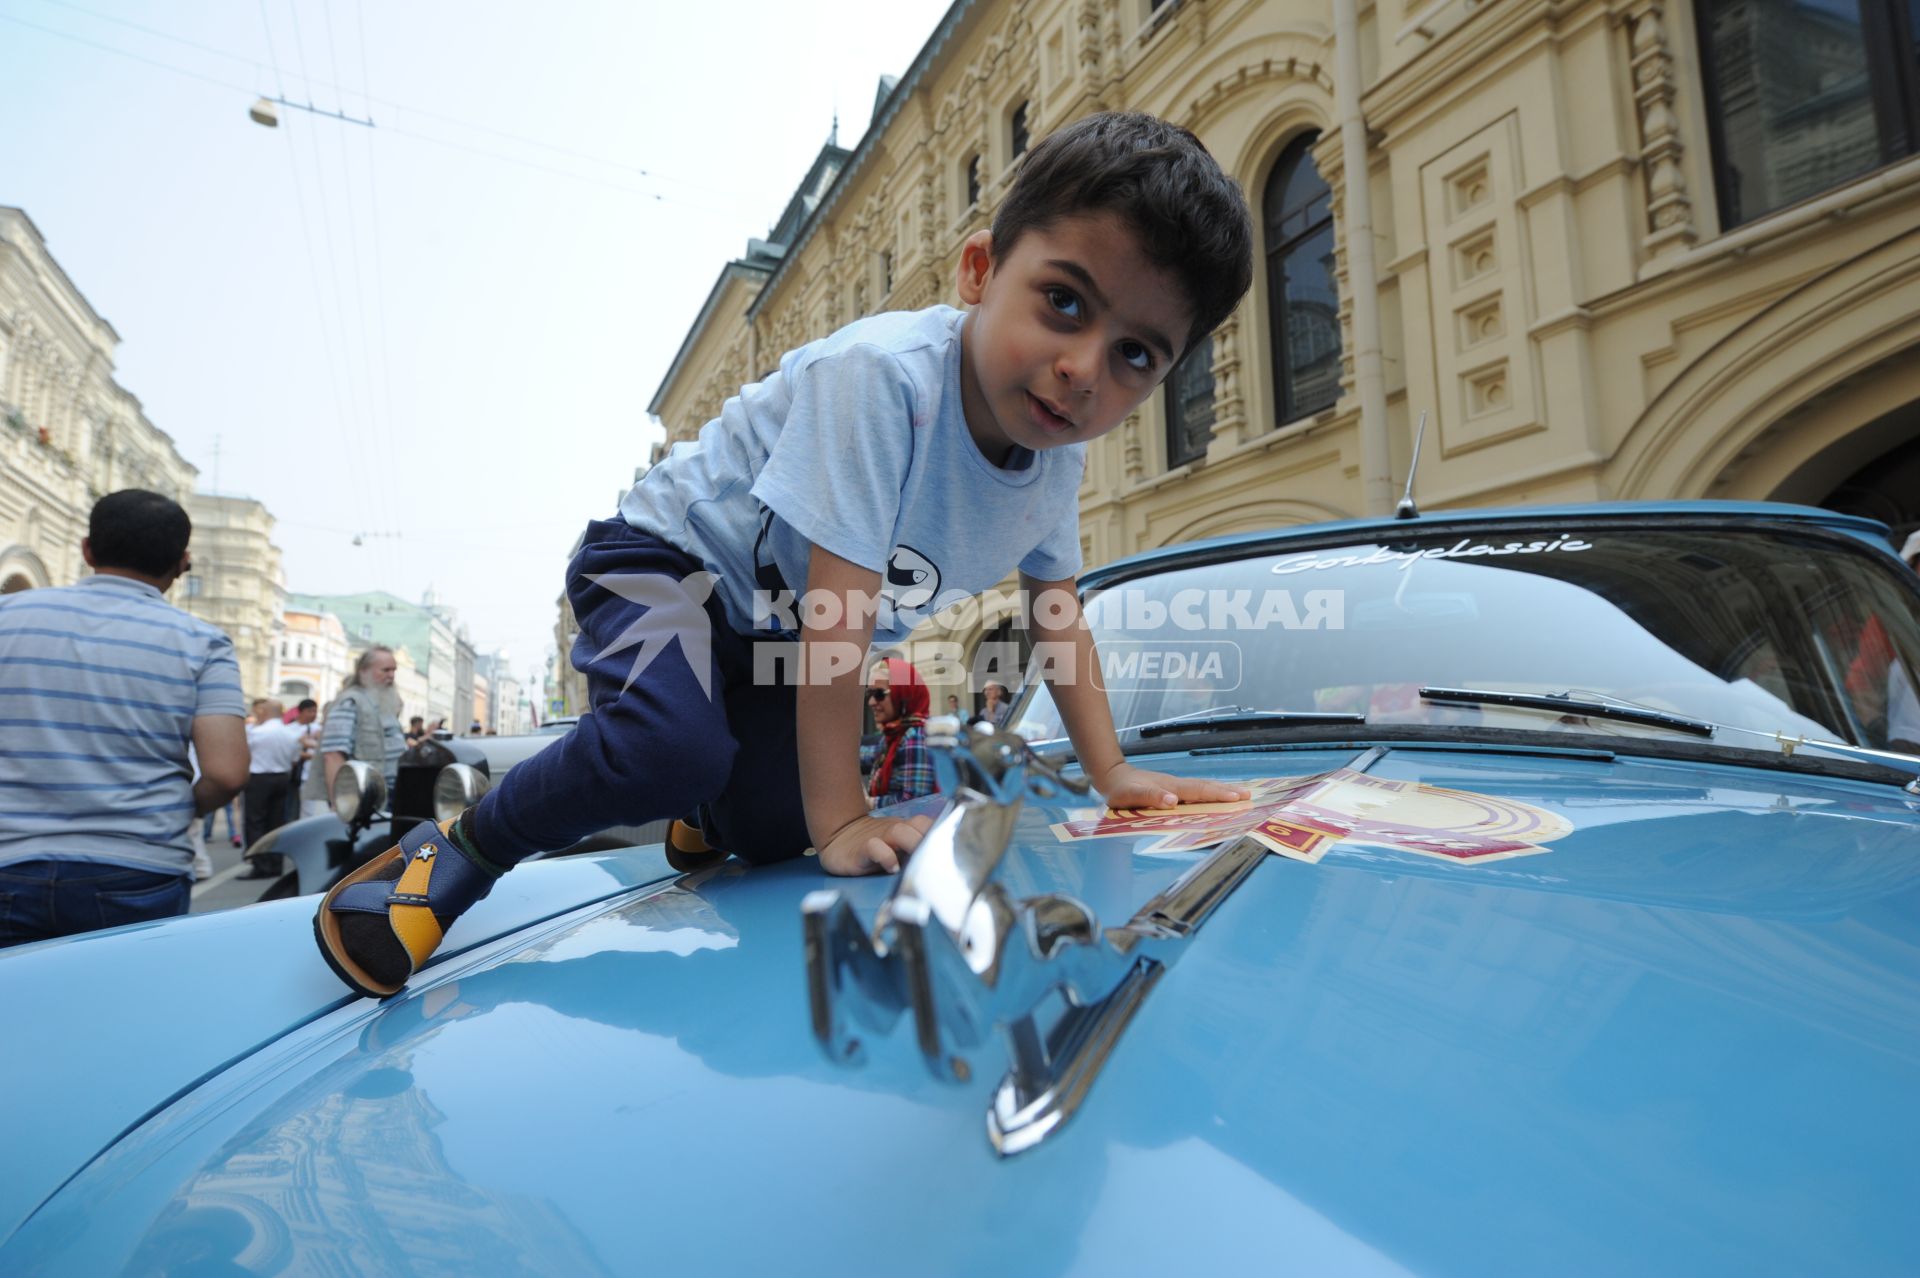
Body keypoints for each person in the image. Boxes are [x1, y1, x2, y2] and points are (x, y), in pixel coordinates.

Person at [313, 111, 1253, 998]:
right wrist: (842, 819)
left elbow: (1060, 616)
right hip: (661, 564)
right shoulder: (883, 381)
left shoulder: (1054, 460)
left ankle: (706, 801)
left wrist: (1113, 773)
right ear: (977, 271)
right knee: (673, 749)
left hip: (766, 629)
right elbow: (836, 622)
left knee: (769, 831)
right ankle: (455, 853)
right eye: (1062, 303)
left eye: (1137, 354)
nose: (1084, 368)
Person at [0, 489, 248, 945]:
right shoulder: (203, 642)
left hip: (8, 863)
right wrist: (178, 809)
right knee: (120, 1012)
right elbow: (227, 773)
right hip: (140, 870)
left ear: (87, 550)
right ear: (182, 563)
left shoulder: (7, 614)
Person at [302, 647, 408, 820]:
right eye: (385, 670)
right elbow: (333, 756)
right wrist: (341, 806)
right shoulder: (350, 702)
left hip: (382, 797)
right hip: (360, 800)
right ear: (363, 671)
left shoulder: (383, 701)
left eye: (394, 670)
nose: (391, 675)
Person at [237, 699, 300, 878]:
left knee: (255, 822)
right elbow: (295, 759)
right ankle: (275, 863)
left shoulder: (256, 732)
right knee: (276, 823)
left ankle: (260, 864)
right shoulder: (290, 733)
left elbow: (243, 755)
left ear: (263, 712)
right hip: (282, 777)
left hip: (259, 778)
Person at [866, 659, 937, 808]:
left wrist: (868, 802)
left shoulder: (915, 736)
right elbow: (870, 755)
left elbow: (914, 803)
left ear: (904, 694)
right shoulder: (895, 733)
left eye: (879, 694)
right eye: (870, 693)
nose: (871, 702)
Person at [285, 698, 319, 824]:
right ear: (301, 712)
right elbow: (288, 751)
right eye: (310, 711)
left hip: (309, 774)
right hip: (294, 774)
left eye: (315, 711)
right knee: (290, 807)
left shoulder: (317, 728)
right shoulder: (289, 729)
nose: (313, 714)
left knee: (308, 810)